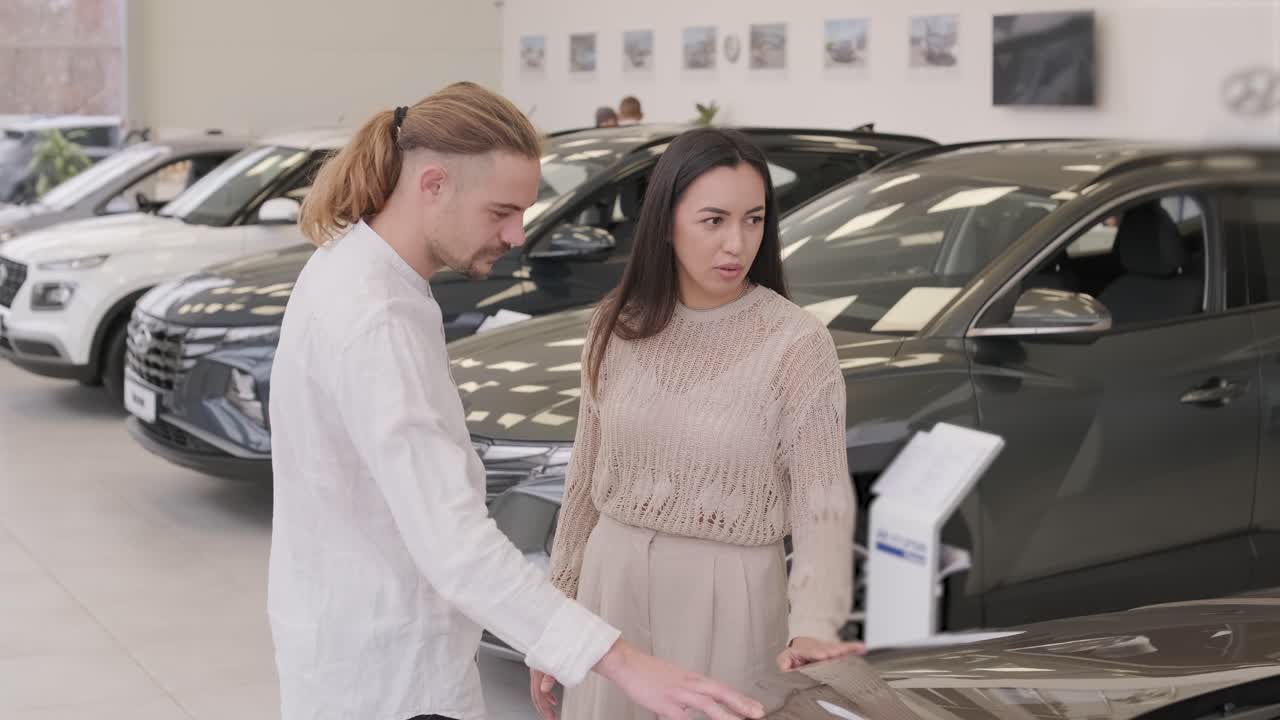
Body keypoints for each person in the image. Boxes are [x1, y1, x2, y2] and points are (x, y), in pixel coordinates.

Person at [268, 82, 766, 720]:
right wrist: (621, 663)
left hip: (354, 639)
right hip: (389, 675)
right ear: (434, 184)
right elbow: (453, 543)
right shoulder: (376, 319)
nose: (516, 234)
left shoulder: (353, 269)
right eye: (501, 211)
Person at [530, 127, 863, 720]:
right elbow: (584, 479)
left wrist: (814, 624)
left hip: (731, 593)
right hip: (613, 584)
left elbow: (823, 500)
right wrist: (557, 616)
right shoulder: (616, 323)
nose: (738, 243)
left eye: (754, 219)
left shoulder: (796, 343)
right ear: (665, 222)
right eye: (714, 220)